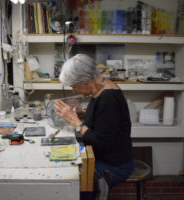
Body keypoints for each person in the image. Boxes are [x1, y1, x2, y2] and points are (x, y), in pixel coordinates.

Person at [54, 54, 134, 200]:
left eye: (74, 86)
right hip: (102, 158)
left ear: (86, 80)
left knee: (75, 183)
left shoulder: (108, 98)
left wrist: (75, 122)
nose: (73, 90)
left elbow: (102, 142)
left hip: (114, 165)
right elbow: (101, 119)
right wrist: (82, 113)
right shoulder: (99, 89)